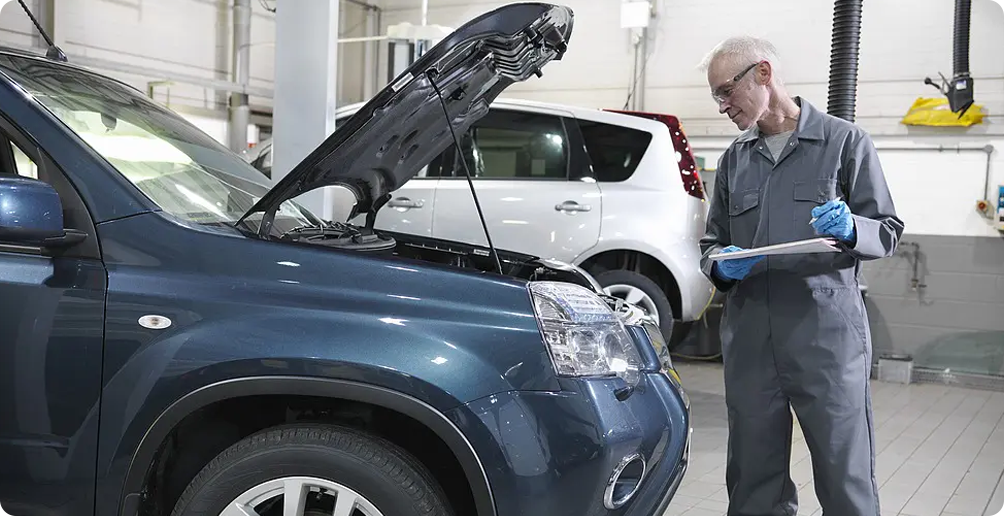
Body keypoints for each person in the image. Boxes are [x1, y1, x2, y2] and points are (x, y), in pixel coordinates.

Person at [696, 36, 904, 516]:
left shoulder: (844, 142)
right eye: (716, 96)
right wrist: (720, 263)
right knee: (752, 476)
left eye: (726, 91)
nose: (722, 105)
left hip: (825, 337)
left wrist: (853, 228)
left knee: (843, 470)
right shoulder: (733, 160)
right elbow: (710, 245)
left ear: (763, 73)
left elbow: (887, 231)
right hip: (751, 338)